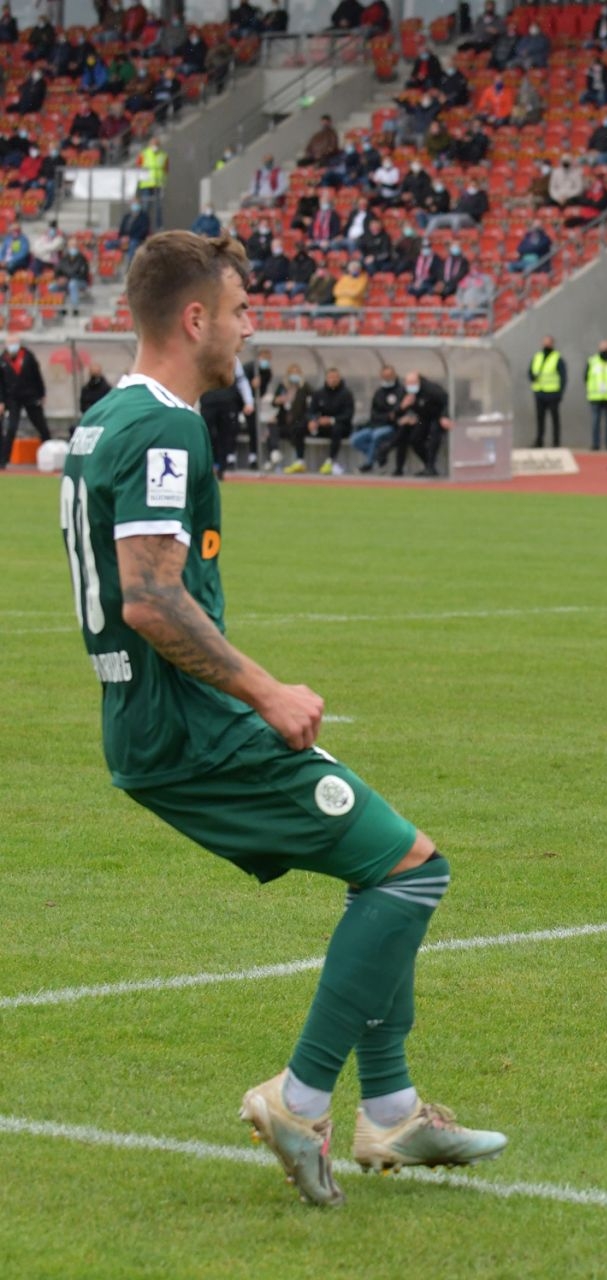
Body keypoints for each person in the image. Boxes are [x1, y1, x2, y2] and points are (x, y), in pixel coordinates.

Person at [55, 232, 505, 1206]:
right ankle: (301, 1096)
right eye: (243, 306)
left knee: (387, 860)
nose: (252, 323)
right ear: (194, 318)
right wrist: (268, 689)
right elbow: (149, 596)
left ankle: (388, 1107)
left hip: (152, 720)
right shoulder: (166, 428)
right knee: (411, 869)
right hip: (190, 723)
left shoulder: (104, 419)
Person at [390, 370, 452, 476]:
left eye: (413, 383)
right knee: (415, 439)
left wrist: (445, 416)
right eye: (408, 384)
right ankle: (428, 464)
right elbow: (395, 412)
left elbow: (447, 401)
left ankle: (431, 466)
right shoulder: (406, 391)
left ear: (419, 381)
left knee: (434, 434)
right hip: (423, 419)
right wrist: (402, 407)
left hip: (438, 417)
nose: (410, 386)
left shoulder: (432, 389)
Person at [0, 336, 48, 463]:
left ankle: (49, 454)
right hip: (13, 398)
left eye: (14, 343)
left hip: (30, 395)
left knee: (42, 426)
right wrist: (2, 401)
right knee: (11, 428)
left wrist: (41, 393)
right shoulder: (3, 360)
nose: (12, 346)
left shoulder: (28, 356)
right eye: (10, 343)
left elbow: (37, 375)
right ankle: (3, 460)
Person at [304, 366, 354, 474]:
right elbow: (310, 411)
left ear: (339, 378)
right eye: (330, 377)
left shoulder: (346, 394)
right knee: (299, 427)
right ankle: (299, 460)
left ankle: (330, 460)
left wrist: (331, 420)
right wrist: (314, 420)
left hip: (341, 427)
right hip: (322, 426)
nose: (333, 380)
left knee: (337, 429)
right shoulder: (319, 393)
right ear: (326, 378)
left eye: (335, 377)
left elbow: (348, 414)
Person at [351, 365, 402, 471]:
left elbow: (396, 414)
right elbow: (374, 414)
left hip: (391, 427)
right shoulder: (379, 392)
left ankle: (369, 464)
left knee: (377, 436)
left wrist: (388, 417)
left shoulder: (401, 391)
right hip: (375, 425)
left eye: (389, 376)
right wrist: (387, 416)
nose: (387, 379)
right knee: (355, 440)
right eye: (384, 377)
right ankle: (379, 458)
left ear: (394, 375)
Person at [585, 340, 607, 451]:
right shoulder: (592, 361)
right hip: (595, 397)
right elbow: (586, 377)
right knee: (595, 422)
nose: (605, 350)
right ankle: (596, 444)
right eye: (603, 348)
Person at [529, 335, 565, 447]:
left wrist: (560, 393)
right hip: (539, 392)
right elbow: (530, 371)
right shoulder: (537, 356)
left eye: (548, 342)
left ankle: (556, 442)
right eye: (545, 342)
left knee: (555, 419)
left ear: (552, 344)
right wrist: (533, 378)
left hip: (553, 393)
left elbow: (563, 377)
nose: (546, 344)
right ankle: (539, 441)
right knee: (540, 419)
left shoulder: (557, 358)